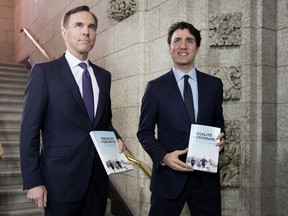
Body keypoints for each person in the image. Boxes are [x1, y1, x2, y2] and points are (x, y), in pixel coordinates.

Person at [19, 5, 124, 216]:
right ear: (64, 32)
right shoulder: (44, 73)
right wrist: (33, 181)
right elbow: (29, 129)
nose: (86, 31)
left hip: (97, 183)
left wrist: (116, 137)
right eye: (79, 25)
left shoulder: (104, 77)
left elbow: (104, 121)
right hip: (60, 183)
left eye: (91, 27)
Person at [137, 21, 225, 216]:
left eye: (189, 41)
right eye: (177, 40)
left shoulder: (214, 85)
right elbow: (144, 132)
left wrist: (220, 137)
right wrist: (163, 157)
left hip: (205, 181)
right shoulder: (155, 88)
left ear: (197, 48)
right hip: (168, 180)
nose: (183, 46)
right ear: (169, 48)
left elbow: (218, 121)